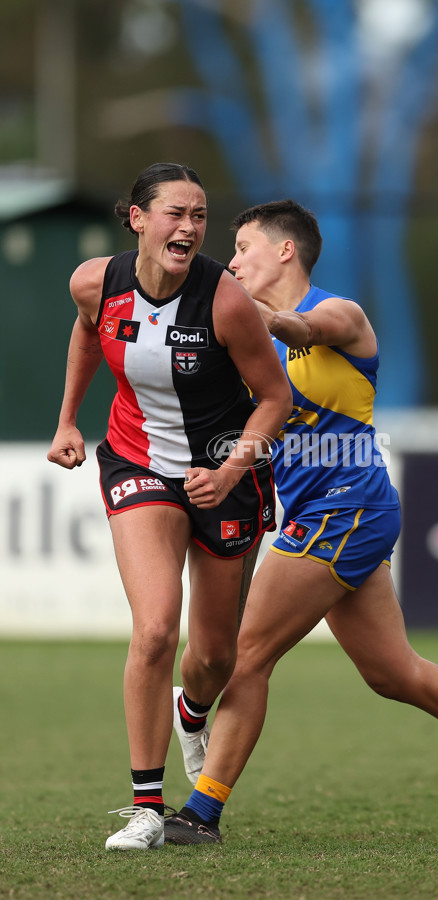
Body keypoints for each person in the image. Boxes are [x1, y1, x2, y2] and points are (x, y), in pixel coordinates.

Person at [165, 199, 438, 847]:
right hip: (329, 515)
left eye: (243, 246)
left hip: (345, 508)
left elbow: (303, 330)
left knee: (245, 659)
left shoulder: (340, 314)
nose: (235, 258)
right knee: (393, 673)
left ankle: (200, 815)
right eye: (231, 252)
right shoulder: (257, 342)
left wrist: (230, 295)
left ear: (285, 251)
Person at [47, 165, 292, 851]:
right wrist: (68, 421)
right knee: (156, 629)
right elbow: (88, 334)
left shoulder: (227, 301)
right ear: (136, 218)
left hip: (226, 477)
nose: (187, 228)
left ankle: (193, 710)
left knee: (214, 657)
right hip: (136, 461)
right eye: (174, 214)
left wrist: (233, 466)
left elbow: (276, 398)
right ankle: (146, 807)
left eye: (200, 216)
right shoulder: (94, 281)